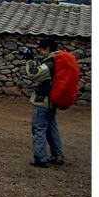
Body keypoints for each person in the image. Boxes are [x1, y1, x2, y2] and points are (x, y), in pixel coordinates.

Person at [25, 37, 65, 168]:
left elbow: (34, 74)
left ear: (47, 48)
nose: (40, 52)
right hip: (53, 100)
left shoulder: (50, 63)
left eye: (41, 49)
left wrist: (29, 60)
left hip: (43, 101)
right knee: (52, 128)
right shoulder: (59, 60)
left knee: (39, 129)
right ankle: (57, 155)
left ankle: (40, 159)